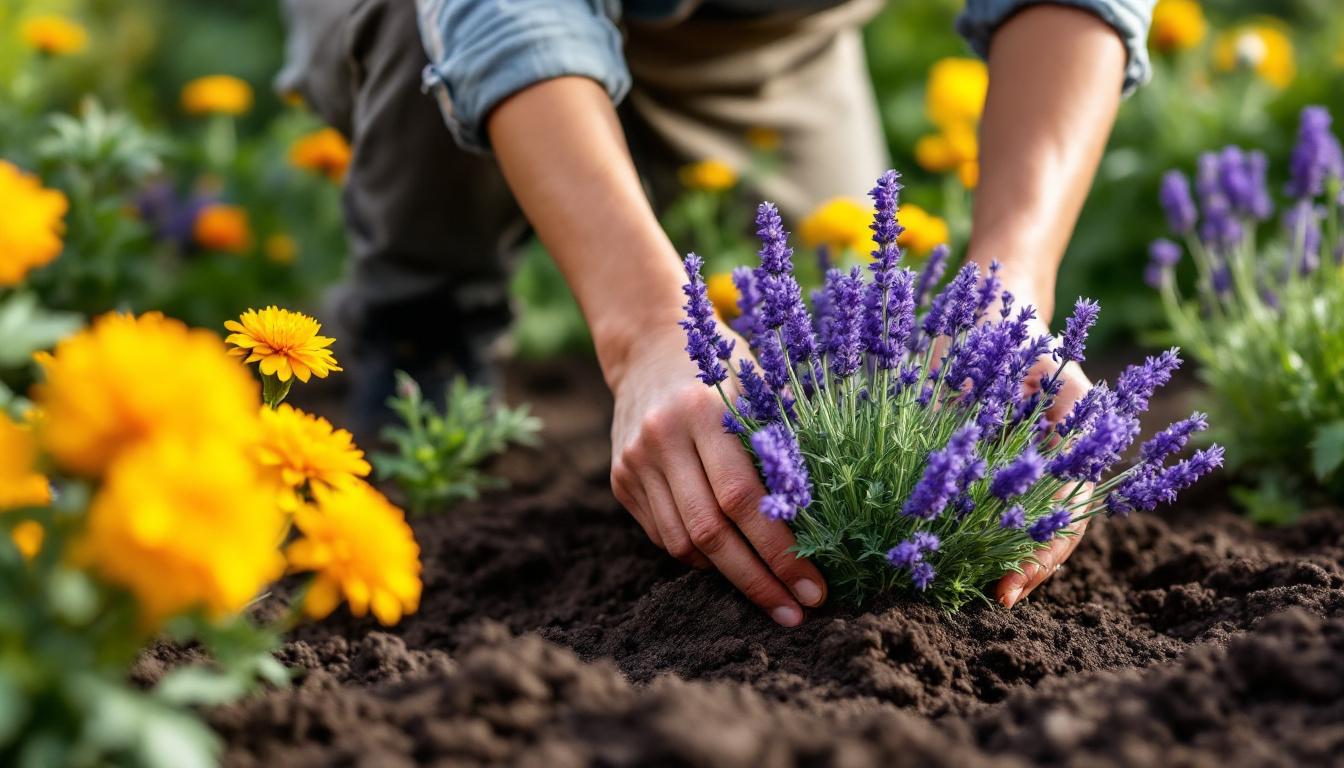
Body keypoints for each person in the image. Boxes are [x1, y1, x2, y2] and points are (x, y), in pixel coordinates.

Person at [278, 0, 1154, 626]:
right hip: (454, 19)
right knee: (416, 33)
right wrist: (645, 332)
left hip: (759, 37)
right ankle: (428, 320)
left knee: (833, 364)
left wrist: (1009, 286)